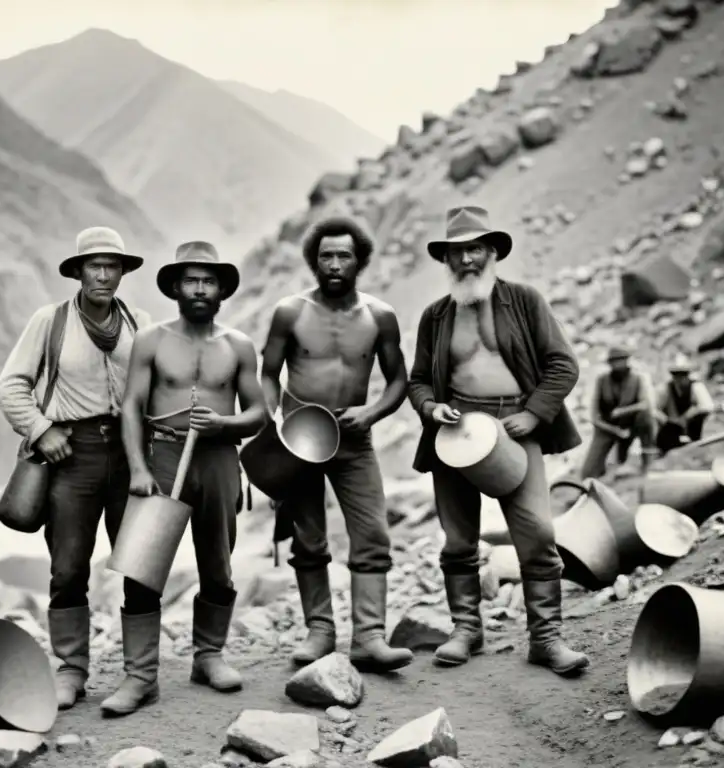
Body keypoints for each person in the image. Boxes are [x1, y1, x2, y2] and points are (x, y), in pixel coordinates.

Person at [408, 205, 589, 677]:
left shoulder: (524, 301)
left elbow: (563, 365)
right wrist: (430, 408)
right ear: (446, 259)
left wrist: (533, 414)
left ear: (492, 252)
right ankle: (466, 631)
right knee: (457, 540)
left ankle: (546, 639)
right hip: (456, 432)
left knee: (539, 534)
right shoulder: (436, 317)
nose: (467, 259)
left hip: (515, 429)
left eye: (475, 248)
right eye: (457, 251)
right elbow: (419, 380)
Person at [0, 226, 152, 713]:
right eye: (94, 266)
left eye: (113, 266)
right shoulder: (51, 320)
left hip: (130, 455)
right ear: (78, 271)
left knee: (139, 566)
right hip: (72, 455)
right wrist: (43, 430)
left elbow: (160, 389)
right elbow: (10, 387)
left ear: (123, 272)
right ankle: (71, 670)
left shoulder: (140, 322)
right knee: (67, 568)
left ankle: (141, 675)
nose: (104, 275)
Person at [117, 241, 266, 714]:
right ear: (176, 288)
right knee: (141, 569)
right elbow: (131, 407)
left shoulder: (238, 346)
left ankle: (209, 656)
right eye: (191, 281)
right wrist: (139, 468)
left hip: (219, 459)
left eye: (208, 281)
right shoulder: (152, 340)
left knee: (218, 565)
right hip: (162, 455)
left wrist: (226, 425)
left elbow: (260, 411)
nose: (199, 289)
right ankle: (140, 677)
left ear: (221, 289)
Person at [260, 215, 413, 673]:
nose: (334, 263)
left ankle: (368, 638)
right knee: (308, 539)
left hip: (355, 442)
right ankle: (320, 632)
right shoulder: (290, 312)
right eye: (325, 255)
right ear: (313, 260)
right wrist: (273, 421)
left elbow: (398, 380)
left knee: (372, 534)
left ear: (359, 260)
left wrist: (371, 412)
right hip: (301, 439)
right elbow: (268, 374)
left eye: (343, 255)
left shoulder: (379, 317)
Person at [578, 346, 658, 478]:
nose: (619, 365)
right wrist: (615, 430)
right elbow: (594, 417)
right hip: (608, 428)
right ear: (610, 364)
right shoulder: (602, 380)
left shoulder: (638, 378)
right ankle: (604, 470)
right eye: (615, 361)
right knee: (588, 472)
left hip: (632, 425)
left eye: (622, 360)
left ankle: (647, 463)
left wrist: (622, 411)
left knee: (647, 417)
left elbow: (645, 404)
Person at [654, 353, 714, 455]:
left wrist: (687, 416)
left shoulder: (696, 387)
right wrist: (666, 420)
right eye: (676, 375)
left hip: (692, 424)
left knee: (699, 418)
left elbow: (707, 407)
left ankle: (696, 445)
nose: (680, 378)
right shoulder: (665, 388)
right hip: (672, 425)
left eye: (683, 375)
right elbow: (654, 409)